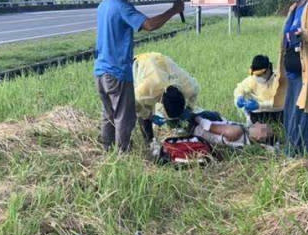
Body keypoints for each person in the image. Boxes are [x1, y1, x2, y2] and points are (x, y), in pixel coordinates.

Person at [94, 0, 184, 152]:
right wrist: (173, 10)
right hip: (117, 71)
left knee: (108, 115)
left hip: (100, 70)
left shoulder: (104, 4)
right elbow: (149, 25)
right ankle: (123, 155)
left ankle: (107, 152)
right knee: (124, 117)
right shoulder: (122, 7)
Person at [273, 0, 308, 156]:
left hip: (305, 72)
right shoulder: (293, 9)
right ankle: (291, 150)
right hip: (291, 71)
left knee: (304, 113)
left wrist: (304, 34)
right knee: (290, 113)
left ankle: (304, 154)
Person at [157, 86, 274, 149]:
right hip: (199, 133)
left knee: (174, 104)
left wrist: (195, 117)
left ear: (259, 137)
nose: (259, 124)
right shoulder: (245, 141)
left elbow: (210, 126)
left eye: (262, 127)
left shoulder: (238, 131)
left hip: (198, 127)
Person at [133, 52, 200, 144]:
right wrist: (148, 115)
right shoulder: (147, 88)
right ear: (162, 104)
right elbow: (132, 101)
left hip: (160, 61)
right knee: (145, 107)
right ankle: (149, 142)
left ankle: (177, 127)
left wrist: (189, 108)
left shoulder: (186, 85)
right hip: (140, 64)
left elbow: (195, 90)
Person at [233, 55, 282, 125]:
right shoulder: (253, 79)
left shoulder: (279, 79)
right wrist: (239, 97)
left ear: (268, 70)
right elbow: (240, 88)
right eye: (256, 75)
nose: (257, 78)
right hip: (259, 113)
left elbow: (280, 102)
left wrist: (260, 105)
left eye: (259, 75)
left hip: (277, 112)